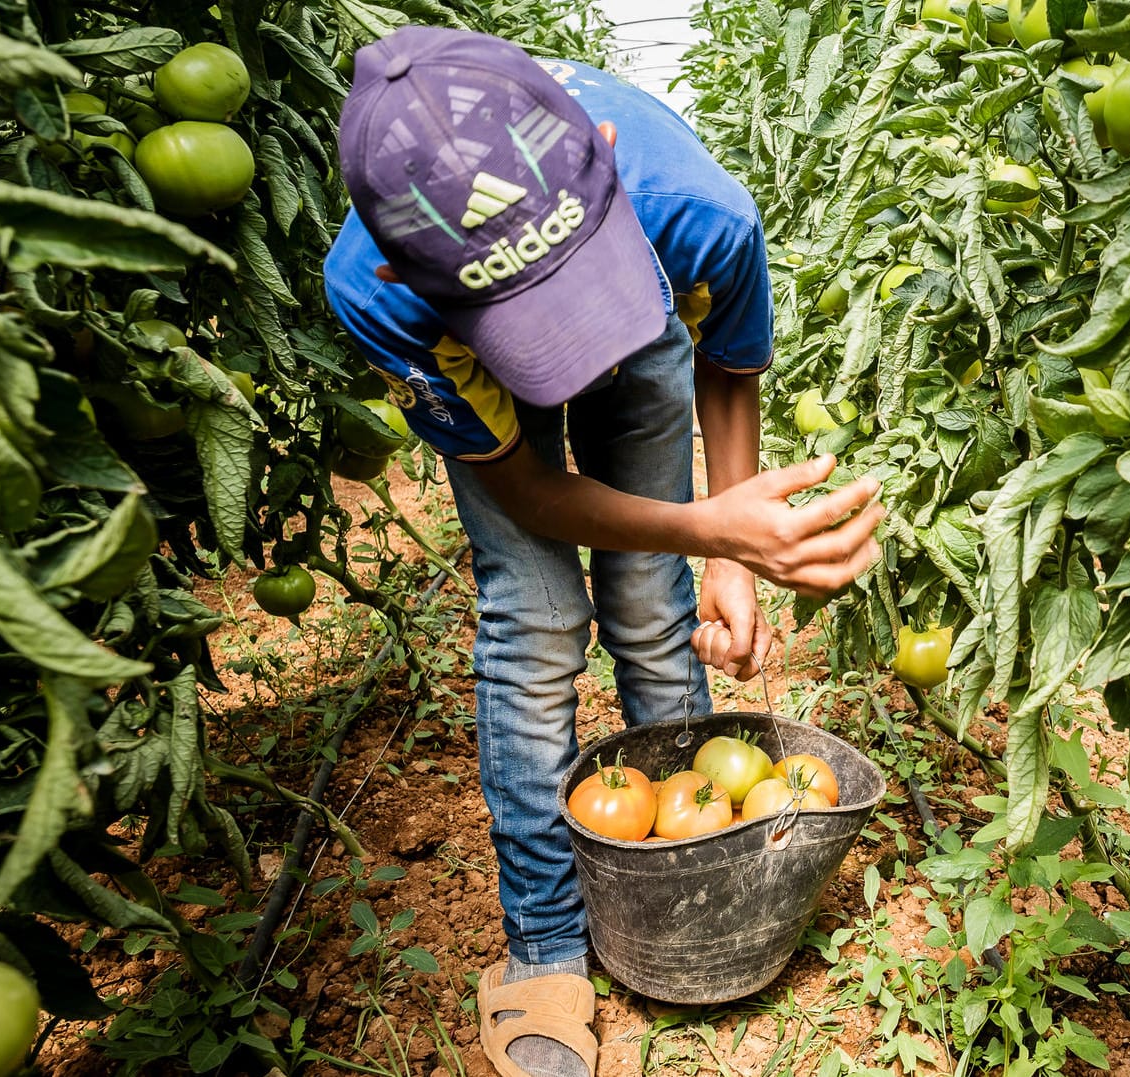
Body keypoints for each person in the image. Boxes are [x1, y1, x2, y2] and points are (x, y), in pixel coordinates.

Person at [324, 27, 882, 1077]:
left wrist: (722, 557)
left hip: (643, 300)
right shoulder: (381, 294)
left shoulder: (694, 210)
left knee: (648, 605)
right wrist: (709, 528)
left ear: (607, 148)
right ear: (405, 268)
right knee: (535, 621)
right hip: (473, 351)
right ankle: (545, 943)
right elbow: (529, 491)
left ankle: (679, 861)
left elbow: (727, 362)